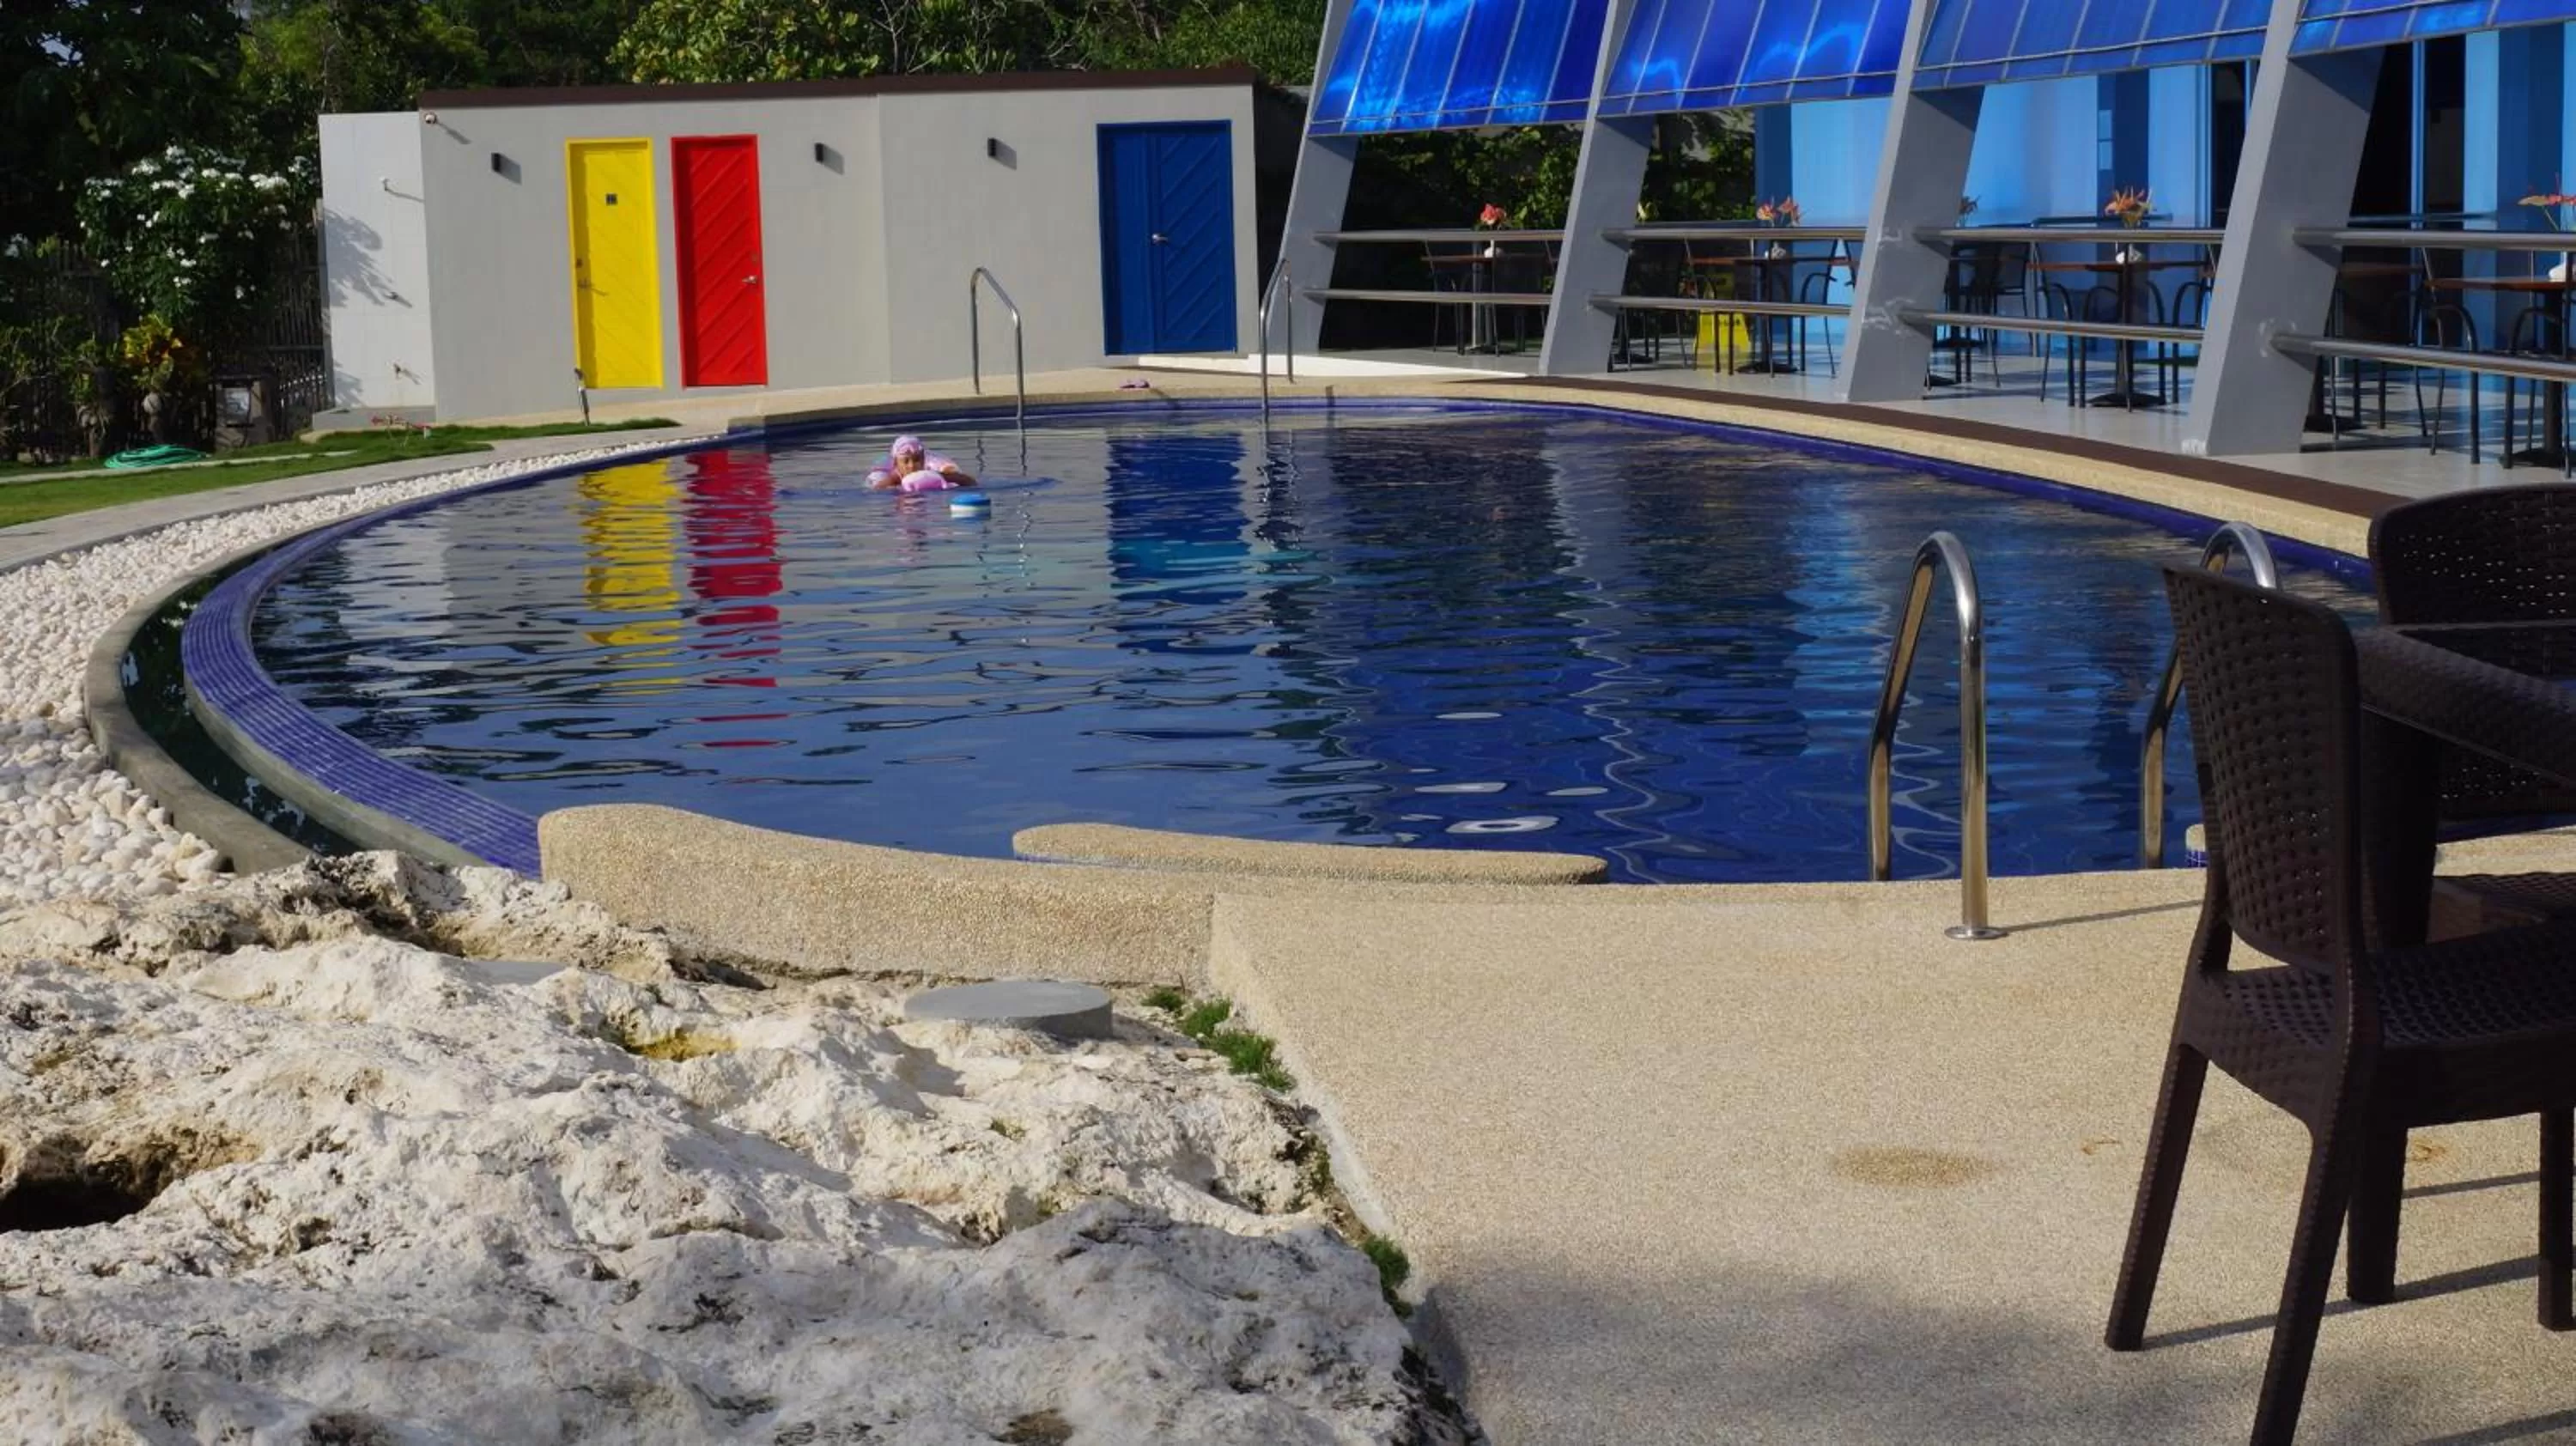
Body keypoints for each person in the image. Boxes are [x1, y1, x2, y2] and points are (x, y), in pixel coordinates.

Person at [866, 435, 977, 491]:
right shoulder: (894, 479)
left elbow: (969, 481)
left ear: (924, 459)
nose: (912, 465)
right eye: (906, 461)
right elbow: (876, 491)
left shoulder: (932, 473)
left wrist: (943, 479)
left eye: (917, 460)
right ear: (896, 463)